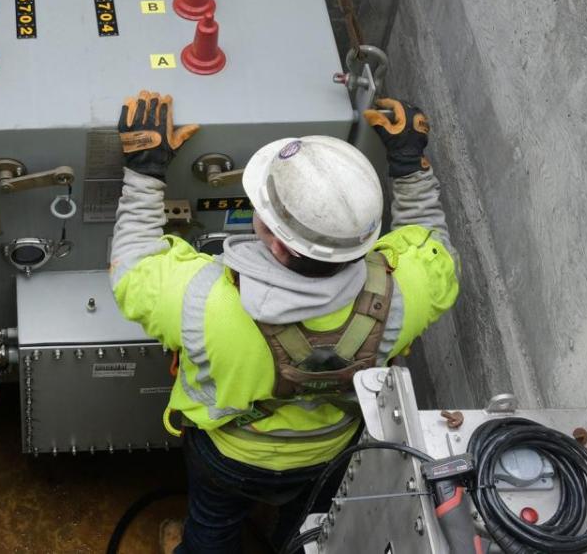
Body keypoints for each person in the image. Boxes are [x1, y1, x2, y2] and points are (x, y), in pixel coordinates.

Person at [109, 92, 459, 553]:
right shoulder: (404, 291)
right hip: (332, 450)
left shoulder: (202, 300)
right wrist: (411, 168)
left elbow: (132, 267)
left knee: (213, 523)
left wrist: (145, 172)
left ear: (275, 243)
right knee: (309, 523)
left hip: (230, 453)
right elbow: (433, 244)